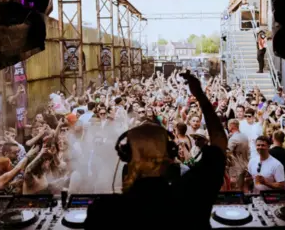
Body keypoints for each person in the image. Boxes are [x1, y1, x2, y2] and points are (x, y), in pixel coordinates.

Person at [84, 71, 228, 229]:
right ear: (171, 156)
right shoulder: (192, 193)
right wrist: (200, 95)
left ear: (127, 159)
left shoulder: (104, 211)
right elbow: (220, 140)